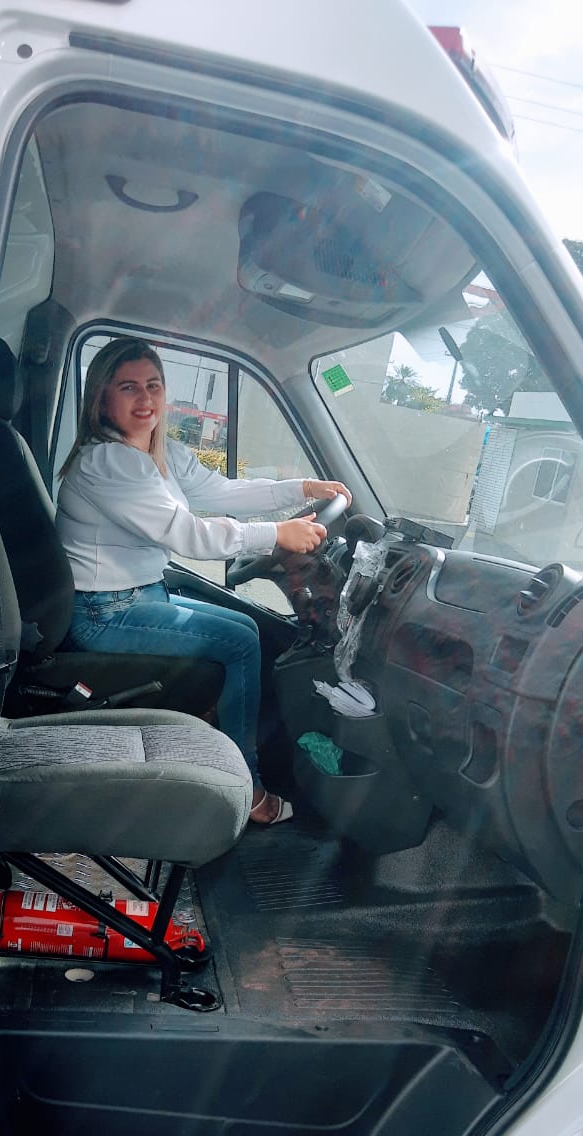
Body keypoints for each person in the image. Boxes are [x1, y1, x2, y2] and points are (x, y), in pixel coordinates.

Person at [55, 337, 351, 824]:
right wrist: (277, 534)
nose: (145, 398)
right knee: (240, 642)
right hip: (103, 613)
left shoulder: (155, 452)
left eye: (154, 385)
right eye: (129, 387)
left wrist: (301, 488)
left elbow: (223, 491)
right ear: (101, 399)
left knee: (248, 628)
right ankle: (246, 789)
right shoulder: (108, 462)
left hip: (138, 595)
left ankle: (216, 734)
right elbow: (189, 534)